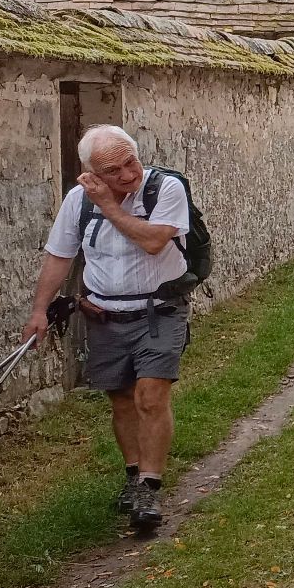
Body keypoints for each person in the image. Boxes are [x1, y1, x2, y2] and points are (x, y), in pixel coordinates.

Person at [20, 125, 191, 533]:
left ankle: (149, 487)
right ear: (92, 174)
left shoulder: (165, 189)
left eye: (131, 162)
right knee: (122, 401)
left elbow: (154, 242)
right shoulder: (78, 201)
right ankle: (133, 474)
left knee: (151, 396)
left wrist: (110, 206)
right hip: (105, 316)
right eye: (114, 171)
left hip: (159, 312)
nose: (128, 174)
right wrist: (39, 310)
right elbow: (59, 256)